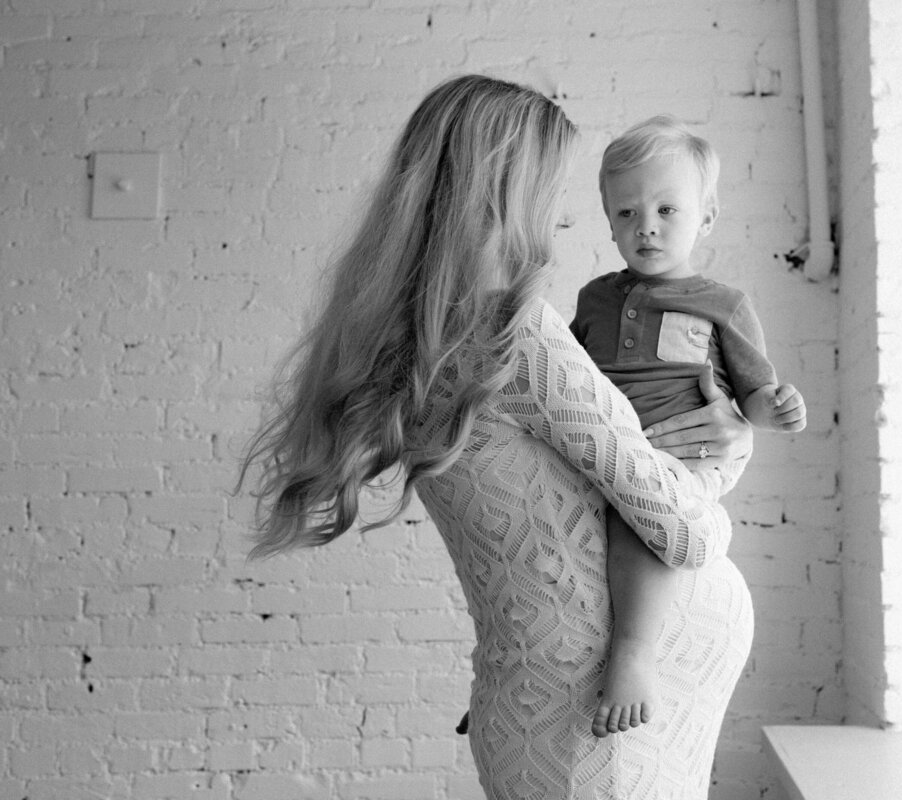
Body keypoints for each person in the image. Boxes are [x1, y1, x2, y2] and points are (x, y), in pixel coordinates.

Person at [238, 75, 756, 800]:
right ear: (508, 191)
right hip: (598, 718)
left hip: (556, 696)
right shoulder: (518, 334)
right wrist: (725, 457)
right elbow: (685, 533)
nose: (558, 214)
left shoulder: (409, 336)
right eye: (550, 186)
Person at [571, 116, 806, 738]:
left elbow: (752, 395)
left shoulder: (723, 304)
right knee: (554, 523)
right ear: (609, 223)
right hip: (608, 449)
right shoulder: (595, 300)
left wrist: (775, 409)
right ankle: (527, 663)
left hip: (685, 455)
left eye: (666, 209)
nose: (645, 225)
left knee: (644, 512)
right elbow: (566, 375)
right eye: (626, 213)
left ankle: (634, 653)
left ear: (706, 218)